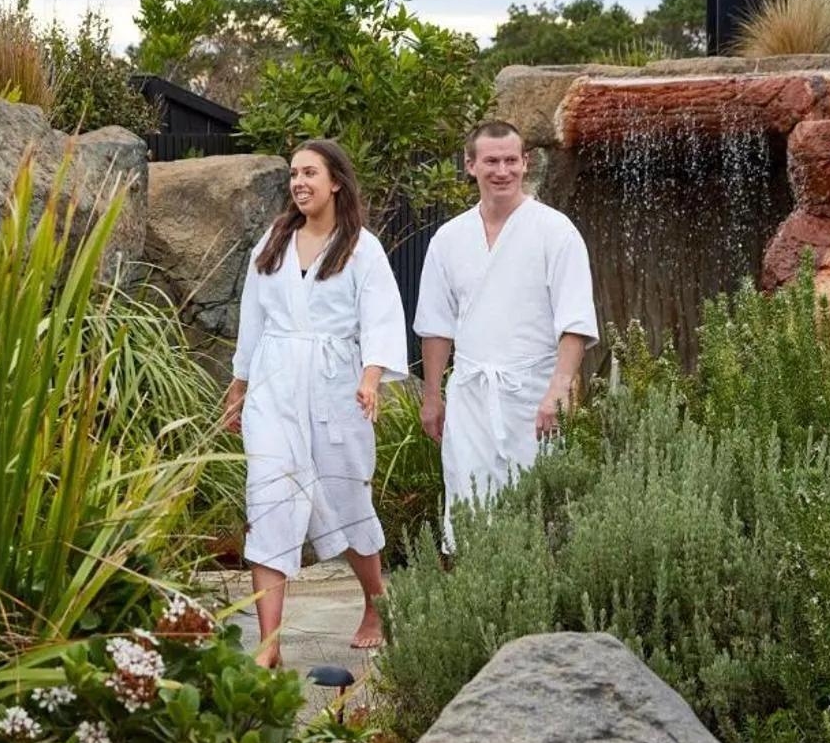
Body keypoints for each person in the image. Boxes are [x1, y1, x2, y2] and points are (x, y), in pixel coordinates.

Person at [223, 139, 408, 668]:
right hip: (275, 386)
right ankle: (269, 644)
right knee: (269, 501)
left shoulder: (362, 247)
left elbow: (380, 317)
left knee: (346, 498)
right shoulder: (275, 241)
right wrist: (240, 385)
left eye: (310, 173)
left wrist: (371, 377)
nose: (299, 182)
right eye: (294, 174)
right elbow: (253, 317)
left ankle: (376, 604)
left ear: (336, 183)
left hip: (336, 387)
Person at [414, 121, 597, 551]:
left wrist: (559, 388)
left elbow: (575, 320)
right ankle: (479, 608)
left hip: (535, 394)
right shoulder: (449, 239)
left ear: (525, 163)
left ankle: (542, 610)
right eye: (492, 161)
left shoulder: (555, 231)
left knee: (541, 509)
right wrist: (432, 395)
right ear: (471, 165)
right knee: (469, 505)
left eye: (511, 160)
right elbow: (437, 326)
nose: (502, 171)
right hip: (472, 395)